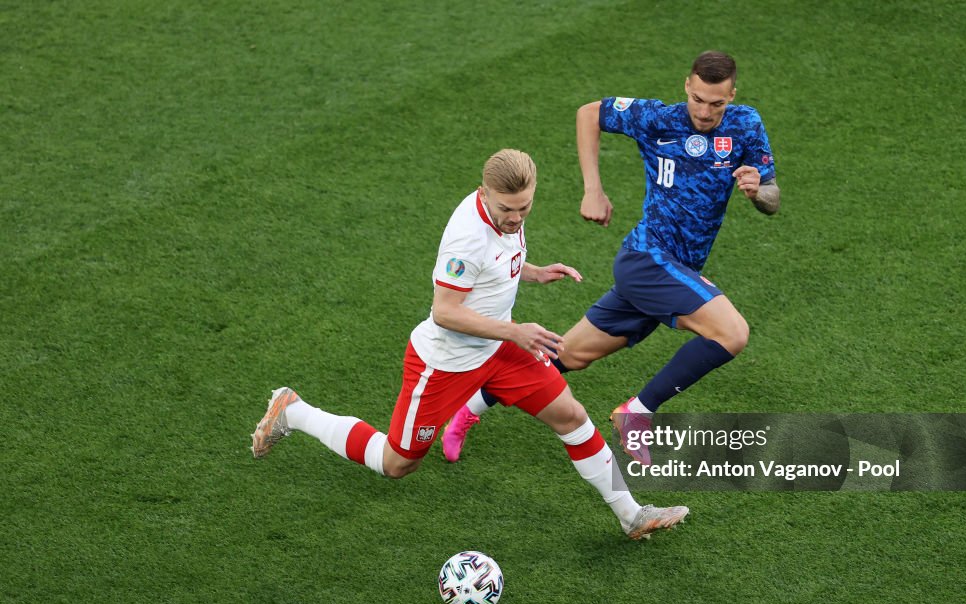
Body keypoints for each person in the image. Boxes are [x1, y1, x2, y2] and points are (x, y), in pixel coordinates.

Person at [250, 149, 688, 540]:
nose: (516, 217)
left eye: (525, 207)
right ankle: (293, 410)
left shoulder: (505, 213)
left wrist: (532, 271)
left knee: (571, 416)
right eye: (507, 209)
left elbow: (496, 263)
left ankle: (631, 515)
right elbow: (445, 311)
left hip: (498, 349)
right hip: (445, 362)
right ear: (484, 193)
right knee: (397, 463)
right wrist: (517, 331)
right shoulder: (466, 237)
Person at [442, 51, 780, 465]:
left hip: (678, 271)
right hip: (646, 259)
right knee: (732, 333)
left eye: (717, 104)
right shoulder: (656, 118)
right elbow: (590, 113)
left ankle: (466, 411)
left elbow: (772, 197)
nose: (706, 112)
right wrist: (592, 189)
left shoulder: (746, 124)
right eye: (699, 99)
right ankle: (636, 414)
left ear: (732, 96)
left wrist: (756, 191)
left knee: (567, 355)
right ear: (687, 86)